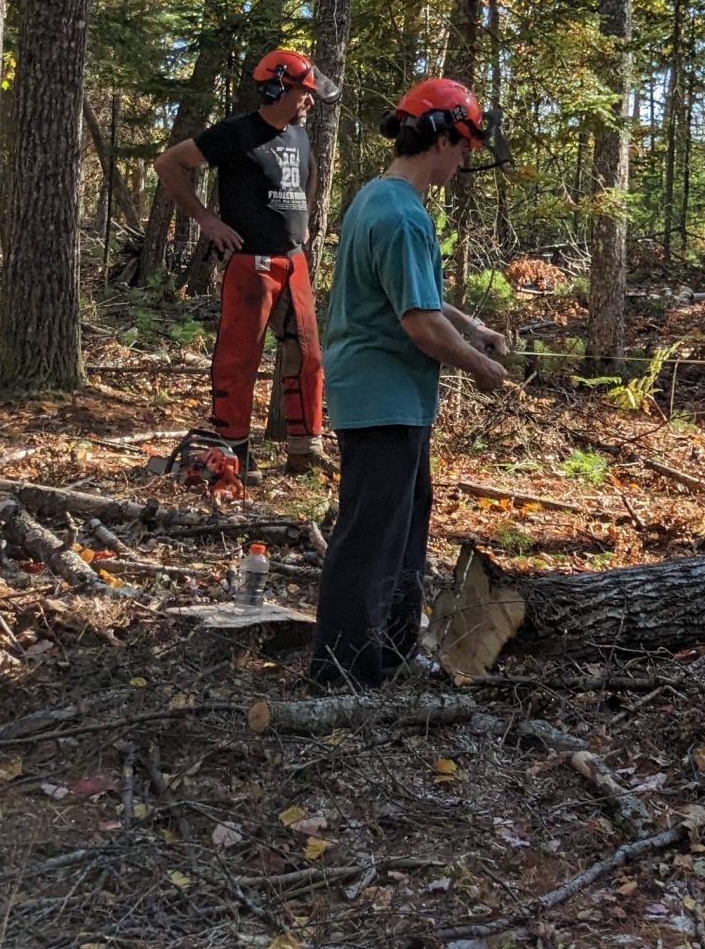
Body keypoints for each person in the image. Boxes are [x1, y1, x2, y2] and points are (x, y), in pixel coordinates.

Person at [310, 77, 513, 689]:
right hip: (381, 397)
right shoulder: (401, 215)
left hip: (393, 397)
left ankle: (393, 650)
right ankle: (342, 673)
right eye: (463, 148)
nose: (463, 161)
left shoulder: (381, 199)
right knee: (371, 536)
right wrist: (481, 369)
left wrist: (473, 327)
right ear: (443, 137)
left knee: (404, 526)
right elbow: (419, 323)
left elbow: (423, 299)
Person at [154, 49, 331, 483]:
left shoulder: (299, 135)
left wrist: (304, 220)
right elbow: (168, 164)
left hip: (293, 259)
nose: (308, 102)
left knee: (307, 356)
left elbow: (309, 176)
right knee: (238, 359)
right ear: (278, 89)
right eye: (303, 94)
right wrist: (206, 220)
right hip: (250, 262)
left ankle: (305, 452)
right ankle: (233, 454)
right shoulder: (237, 132)